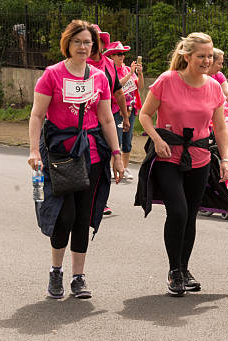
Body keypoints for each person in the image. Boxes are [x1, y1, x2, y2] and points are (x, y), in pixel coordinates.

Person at [27, 20, 124, 299]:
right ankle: (55, 271)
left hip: (92, 154)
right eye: (78, 41)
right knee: (64, 216)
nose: (84, 47)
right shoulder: (52, 74)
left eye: (88, 43)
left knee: (83, 217)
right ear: (67, 44)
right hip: (60, 155)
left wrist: (117, 154)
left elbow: (106, 118)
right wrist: (34, 150)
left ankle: (78, 277)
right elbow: (37, 115)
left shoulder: (99, 77)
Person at [136, 32, 228, 296]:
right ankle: (174, 270)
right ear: (187, 56)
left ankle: (184, 269)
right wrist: (155, 139)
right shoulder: (167, 80)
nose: (206, 60)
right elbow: (144, 114)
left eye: (210, 56)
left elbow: (220, 128)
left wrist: (223, 158)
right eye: (201, 56)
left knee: (190, 216)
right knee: (177, 212)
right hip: (168, 156)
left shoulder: (213, 86)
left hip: (199, 158)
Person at [88, 25, 130, 215]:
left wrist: (125, 116)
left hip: (109, 116)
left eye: (98, 41)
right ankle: (82, 197)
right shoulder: (81, 62)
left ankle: (101, 200)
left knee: (105, 158)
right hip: (85, 119)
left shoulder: (109, 64)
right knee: (86, 158)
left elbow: (118, 92)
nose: (96, 44)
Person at [103, 40, 144, 180]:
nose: (122, 57)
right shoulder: (110, 71)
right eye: (118, 54)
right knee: (117, 141)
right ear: (112, 57)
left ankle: (124, 168)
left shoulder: (127, 69)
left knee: (128, 141)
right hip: (117, 111)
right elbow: (117, 86)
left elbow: (140, 86)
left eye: (123, 54)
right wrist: (131, 73)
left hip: (131, 110)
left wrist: (139, 73)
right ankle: (114, 167)